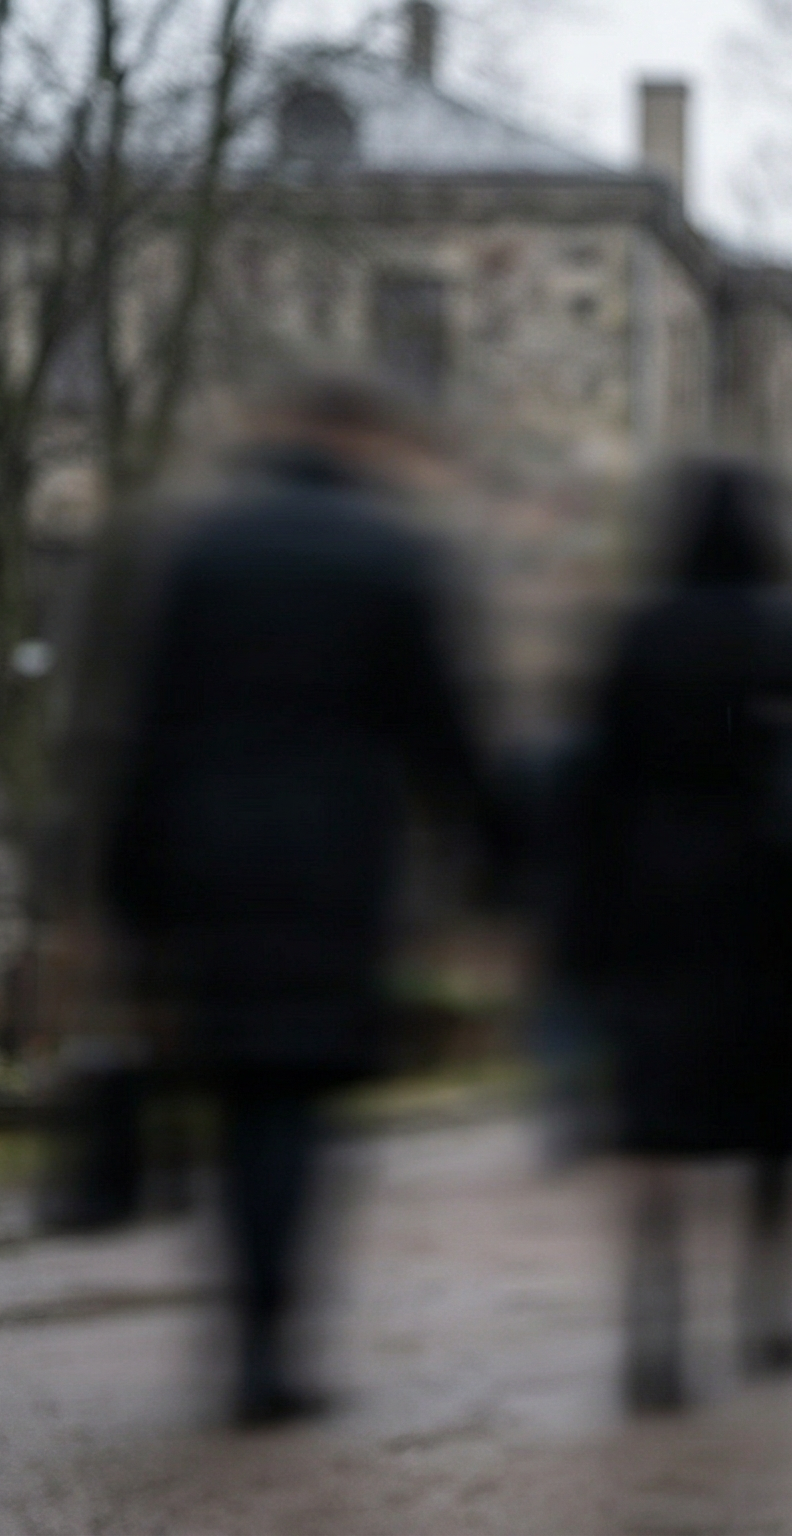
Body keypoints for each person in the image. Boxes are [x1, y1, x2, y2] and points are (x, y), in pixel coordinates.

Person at [103, 376, 501, 1427]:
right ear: (360, 443)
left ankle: (240, 1327)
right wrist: (486, 855)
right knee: (295, 1097)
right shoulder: (388, 554)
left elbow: (143, 723)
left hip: (205, 852)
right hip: (330, 857)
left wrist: (125, 884)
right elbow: (443, 728)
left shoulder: (200, 549)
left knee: (238, 1091)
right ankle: (272, 1341)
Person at [555, 458, 792, 1412]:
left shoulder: (640, 633)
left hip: (660, 907)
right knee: (775, 1120)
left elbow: (593, 782)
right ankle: (768, 1312)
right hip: (778, 907)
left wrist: (583, 923)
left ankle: (655, 1329)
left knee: (657, 1126)